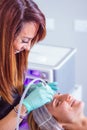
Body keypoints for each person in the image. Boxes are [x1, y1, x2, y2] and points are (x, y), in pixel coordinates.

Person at [0, 0, 56, 129]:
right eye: (25, 40)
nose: (28, 47)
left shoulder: (9, 59)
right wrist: (24, 106)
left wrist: (23, 92)